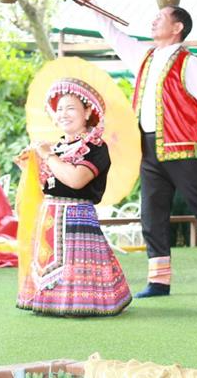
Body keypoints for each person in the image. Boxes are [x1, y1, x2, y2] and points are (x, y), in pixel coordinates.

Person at [67, 0, 197, 298]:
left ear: (177, 27)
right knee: (151, 212)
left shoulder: (189, 63)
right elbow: (113, 33)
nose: (153, 21)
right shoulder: (145, 57)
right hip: (147, 149)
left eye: (160, 17)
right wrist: (88, 1)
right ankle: (159, 280)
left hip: (181, 149)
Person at [16, 78, 132, 316]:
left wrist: (47, 156)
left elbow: (76, 180)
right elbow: (48, 186)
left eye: (70, 108)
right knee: (48, 262)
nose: (63, 114)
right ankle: (48, 302)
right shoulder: (56, 147)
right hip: (49, 218)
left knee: (77, 267)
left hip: (77, 218)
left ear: (88, 112)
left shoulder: (96, 147)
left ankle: (81, 303)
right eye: (59, 109)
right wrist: (29, 167)